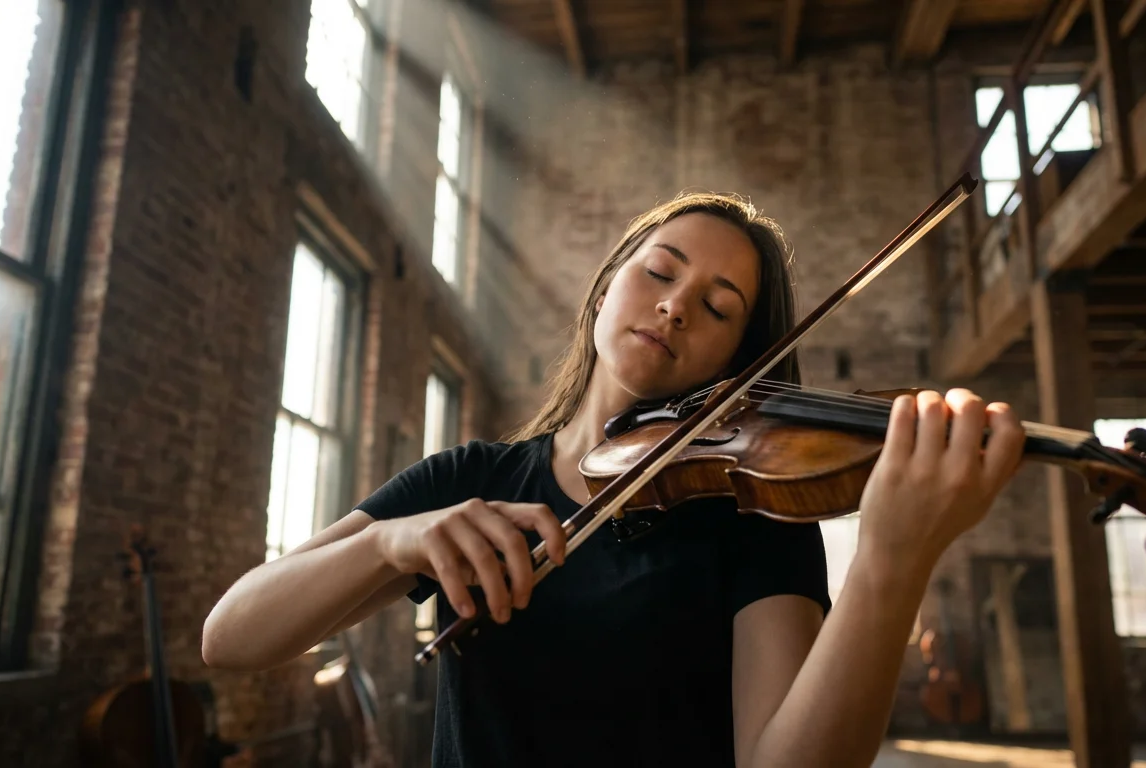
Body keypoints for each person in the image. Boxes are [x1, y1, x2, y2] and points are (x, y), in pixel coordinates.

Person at [203, 192, 1026, 768]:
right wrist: (391, 541)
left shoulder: (749, 515)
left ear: (740, 364)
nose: (674, 308)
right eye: (660, 273)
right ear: (607, 287)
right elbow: (232, 636)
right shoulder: (471, 479)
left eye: (717, 306)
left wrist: (892, 561)